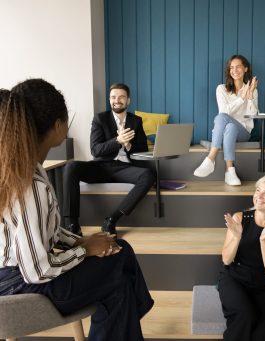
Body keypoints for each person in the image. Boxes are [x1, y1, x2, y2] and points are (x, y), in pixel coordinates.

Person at [0, 79, 154, 341]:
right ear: (58, 126)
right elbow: (37, 270)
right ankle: (133, 317)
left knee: (119, 264)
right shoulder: (30, 185)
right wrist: (84, 250)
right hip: (21, 284)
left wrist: (81, 240)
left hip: (21, 273)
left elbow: (46, 230)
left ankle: (128, 321)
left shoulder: (29, 168)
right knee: (119, 275)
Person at [63, 83, 155, 236]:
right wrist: (117, 141)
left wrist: (128, 145)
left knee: (149, 175)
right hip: (101, 166)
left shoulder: (136, 121)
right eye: (113, 97)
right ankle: (72, 224)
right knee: (71, 166)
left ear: (128, 100)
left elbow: (142, 149)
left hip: (125, 168)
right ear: (109, 99)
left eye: (121, 97)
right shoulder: (100, 119)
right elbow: (95, 150)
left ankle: (112, 219)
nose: (116, 100)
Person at [218, 175, 265, 341]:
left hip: (263, 283)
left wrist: (263, 240)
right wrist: (237, 237)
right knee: (245, 316)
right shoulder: (239, 218)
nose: (259, 196)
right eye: (258, 190)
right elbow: (226, 260)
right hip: (234, 278)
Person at [194, 55, 258, 186]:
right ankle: (230, 171)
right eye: (231, 68)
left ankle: (210, 159)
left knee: (222, 118)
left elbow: (252, 115)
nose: (235, 70)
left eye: (238, 67)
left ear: (245, 69)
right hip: (227, 131)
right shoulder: (221, 89)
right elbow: (224, 111)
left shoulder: (253, 90)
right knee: (230, 126)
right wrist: (241, 99)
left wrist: (249, 95)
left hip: (244, 132)